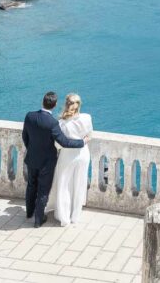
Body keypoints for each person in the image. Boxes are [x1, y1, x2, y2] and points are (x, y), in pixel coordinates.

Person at [22, 91, 88, 227]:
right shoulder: (53, 123)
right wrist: (82, 142)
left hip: (32, 158)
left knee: (31, 185)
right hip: (47, 162)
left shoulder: (29, 116)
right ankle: (38, 220)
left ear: (42, 102)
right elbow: (64, 142)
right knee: (43, 190)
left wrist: (31, 150)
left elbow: (25, 136)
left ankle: (29, 213)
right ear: (55, 104)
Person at [50, 93, 94, 226]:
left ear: (66, 104)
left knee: (64, 185)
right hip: (83, 155)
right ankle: (75, 216)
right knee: (79, 184)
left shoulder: (61, 123)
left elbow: (58, 144)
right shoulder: (87, 118)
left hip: (67, 156)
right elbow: (89, 136)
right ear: (79, 105)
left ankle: (64, 217)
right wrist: (83, 140)